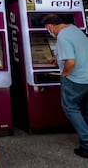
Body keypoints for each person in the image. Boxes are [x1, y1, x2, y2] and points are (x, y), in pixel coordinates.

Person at [41, 13, 88, 159]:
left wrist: (64, 74)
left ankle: (86, 143)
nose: (49, 31)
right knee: (86, 109)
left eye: (47, 28)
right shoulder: (74, 29)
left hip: (76, 79)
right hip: (87, 77)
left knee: (70, 108)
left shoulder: (62, 36)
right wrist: (58, 56)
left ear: (50, 26)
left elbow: (71, 62)